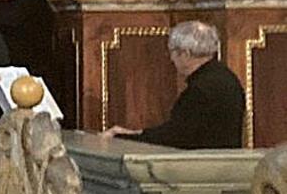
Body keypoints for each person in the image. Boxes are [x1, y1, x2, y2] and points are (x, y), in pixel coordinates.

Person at [103, 21, 245, 149]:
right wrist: (135, 133)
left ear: (186, 53)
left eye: (173, 52)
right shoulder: (225, 76)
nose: (171, 59)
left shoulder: (201, 89)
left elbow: (174, 137)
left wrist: (122, 138)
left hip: (203, 170)